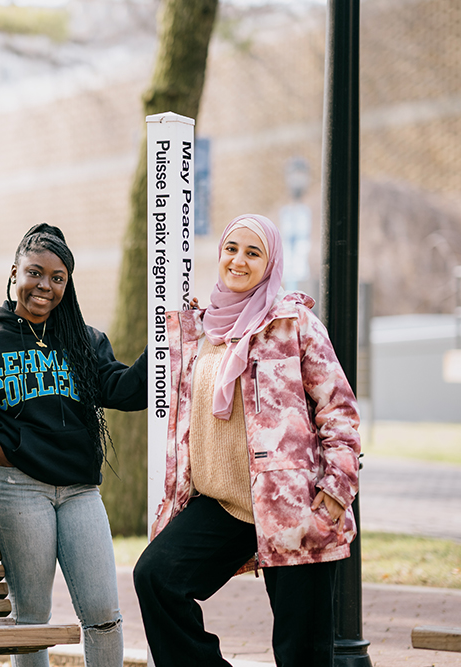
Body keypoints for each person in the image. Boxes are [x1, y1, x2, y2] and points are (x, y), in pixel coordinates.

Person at [133, 214, 360, 667]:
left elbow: (338, 409)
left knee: (303, 653)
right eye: (231, 249)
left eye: (253, 252)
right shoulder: (200, 330)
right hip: (224, 505)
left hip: (294, 505)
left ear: (270, 262)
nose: (238, 260)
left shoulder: (295, 324)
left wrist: (337, 488)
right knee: (156, 578)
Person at [0, 223, 147, 667]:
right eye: (36, 273)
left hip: (80, 491)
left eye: (58, 278)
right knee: (33, 619)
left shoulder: (85, 341)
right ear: (15, 272)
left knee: (103, 616)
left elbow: (122, 390)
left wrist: (165, 344)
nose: (45, 286)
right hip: (19, 489)